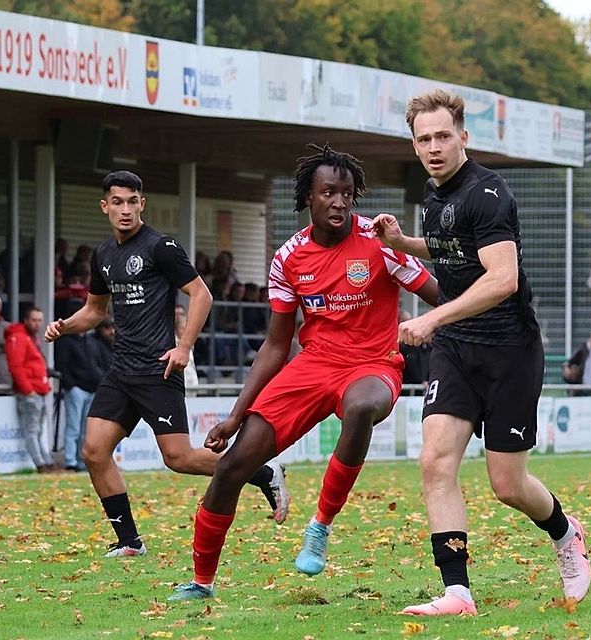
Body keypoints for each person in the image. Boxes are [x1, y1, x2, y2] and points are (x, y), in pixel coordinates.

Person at [168, 144, 438, 602]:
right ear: (308, 198)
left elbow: (439, 295)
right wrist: (236, 414)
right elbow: (276, 344)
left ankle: (320, 526)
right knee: (233, 465)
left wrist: (474, 303)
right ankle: (201, 583)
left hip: (373, 364)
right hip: (313, 367)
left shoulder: (378, 241)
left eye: (347, 193)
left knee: (361, 406)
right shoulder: (288, 258)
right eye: (328, 192)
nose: (339, 202)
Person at [372, 89, 591, 615]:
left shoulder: (488, 192)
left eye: (443, 136)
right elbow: (454, 248)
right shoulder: (432, 193)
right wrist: (405, 244)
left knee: (507, 484)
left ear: (463, 137)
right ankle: (457, 592)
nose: (433, 147)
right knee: (434, 461)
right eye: (423, 139)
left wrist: (431, 316)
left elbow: (502, 278)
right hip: (456, 350)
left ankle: (566, 533)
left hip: (509, 351)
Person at [43, 170, 287, 558]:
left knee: (180, 458)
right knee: (93, 450)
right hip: (121, 370)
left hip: (160, 369)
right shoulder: (103, 255)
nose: (125, 209)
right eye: (117, 202)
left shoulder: (161, 247)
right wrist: (65, 326)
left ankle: (262, 472)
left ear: (142, 203)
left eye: (132, 201)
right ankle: (128, 542)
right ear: (105, 206)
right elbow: (94, 311)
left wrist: (183, 346)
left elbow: (201, 295)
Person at [55, 307, 109, 472]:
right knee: (73, 427)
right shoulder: (66, 341)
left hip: (92, 389)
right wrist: (71, 385)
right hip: (77, 389)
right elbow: (63, 366)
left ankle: (81, 460)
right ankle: (70, 460)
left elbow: (97, 363)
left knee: (86, 428)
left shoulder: (91, 341)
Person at [5, 307, 56, 473]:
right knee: (33, 431)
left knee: (39, 430)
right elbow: (15, 366)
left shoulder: (30, 338)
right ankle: (41, 464)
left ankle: (46, 462)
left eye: (40, 320)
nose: (37, 324)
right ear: (26, 320)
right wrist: (28, 390)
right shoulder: (19, 337)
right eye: (34, 320)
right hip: (31, 392)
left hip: (39, 390)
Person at [174, 304, 199, 396]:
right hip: (179, 389)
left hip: (192, 387)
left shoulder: (189, 343)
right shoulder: (171, 343)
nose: (178, 317)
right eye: (176, 314)